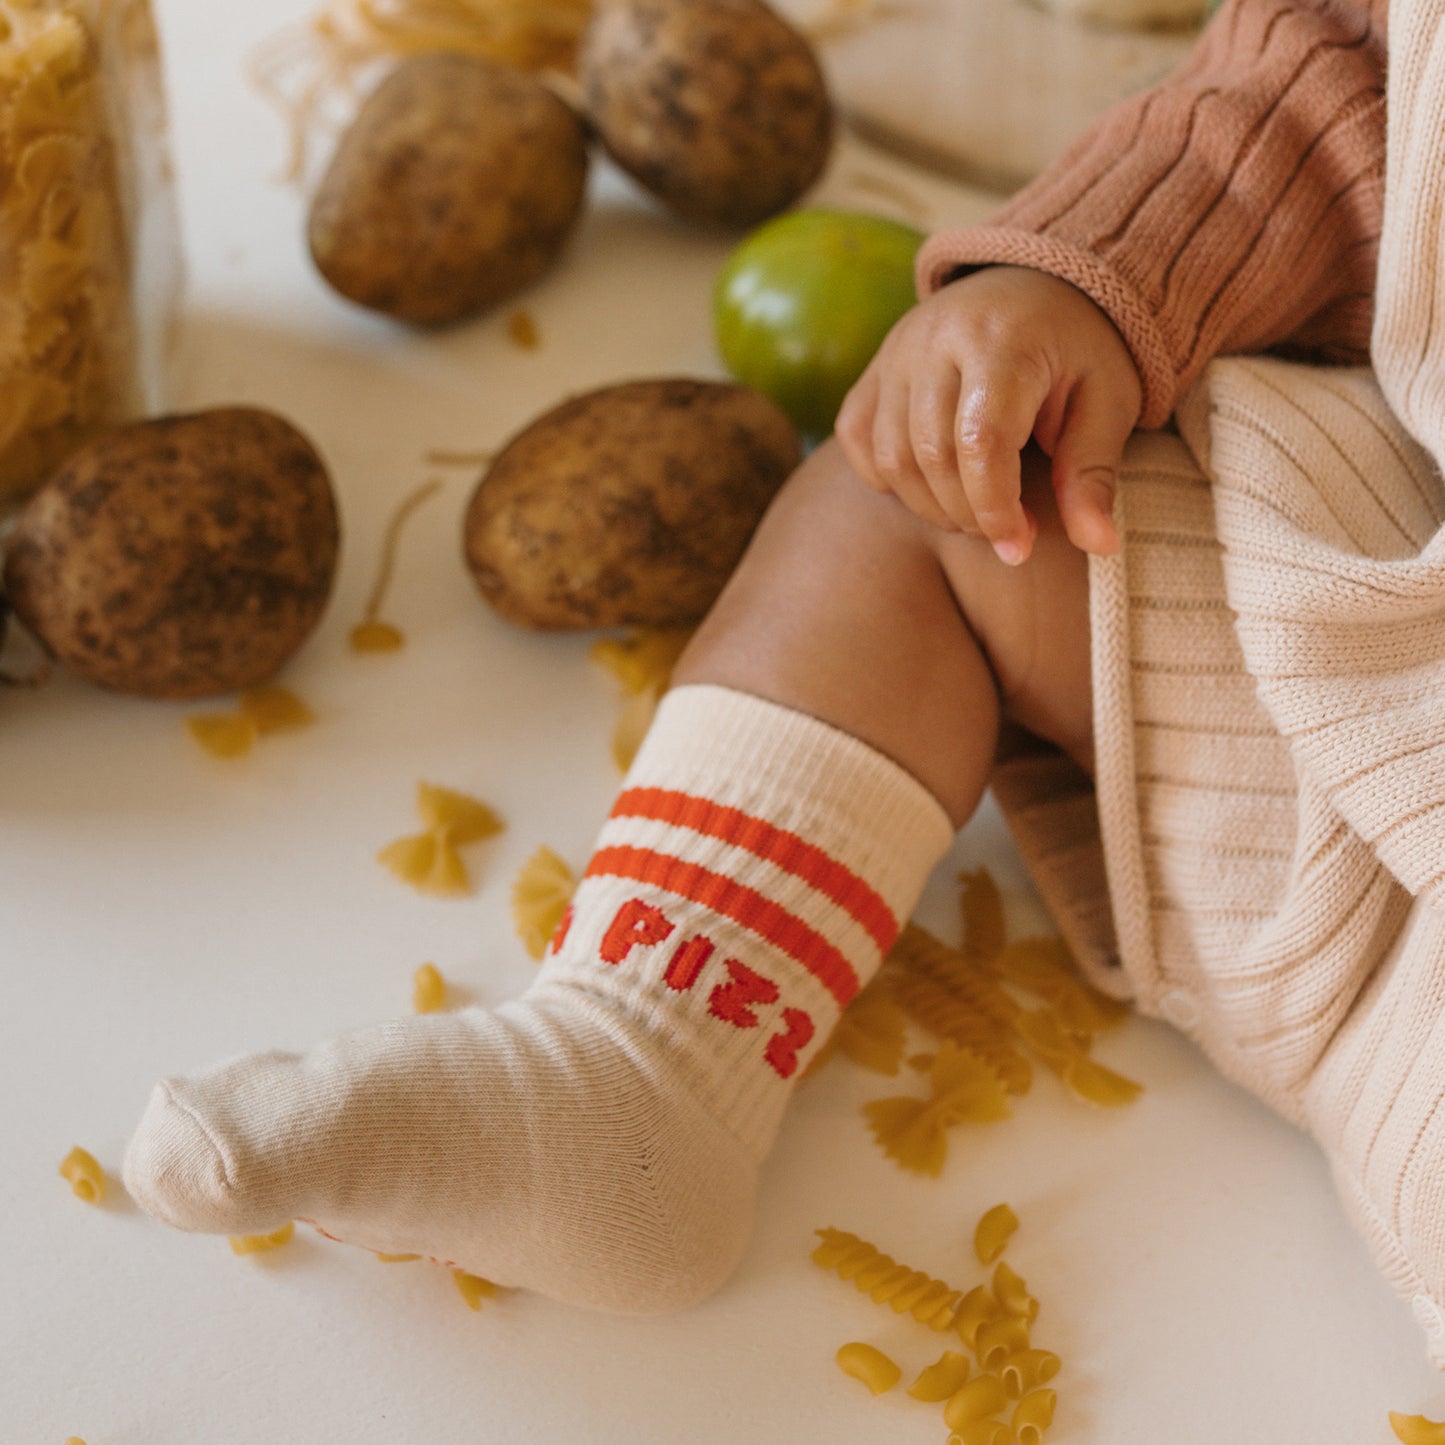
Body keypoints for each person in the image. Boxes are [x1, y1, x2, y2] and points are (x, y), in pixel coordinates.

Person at [127, 0, 1445, 1364]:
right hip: (1363, 641)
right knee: (943, 503)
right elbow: (1334, 73)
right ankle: (642, 1055)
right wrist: (1081, 280)